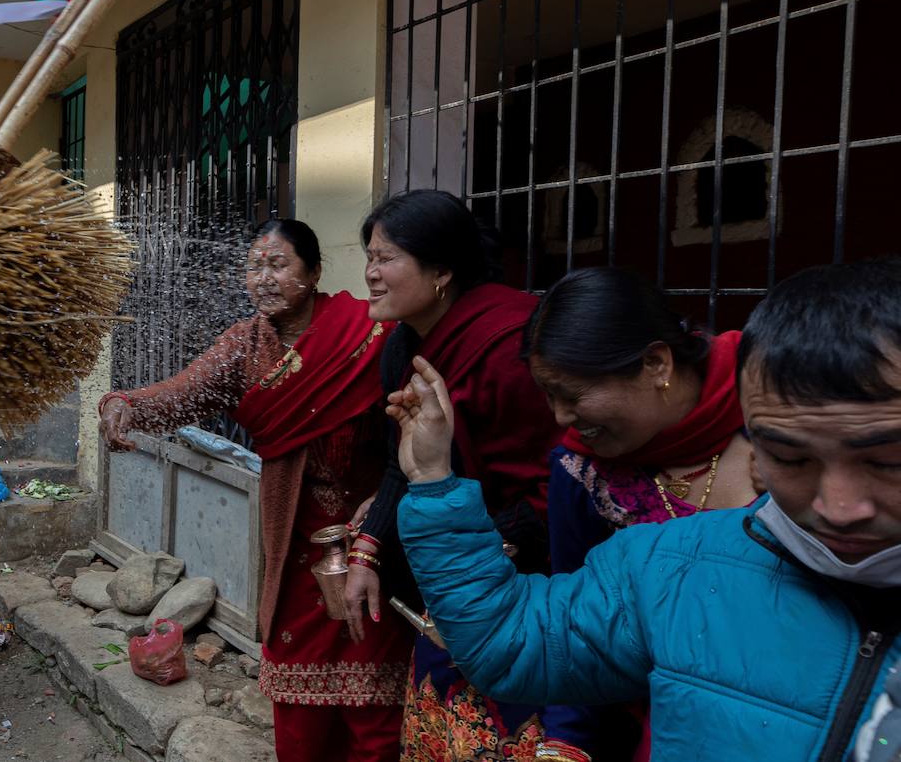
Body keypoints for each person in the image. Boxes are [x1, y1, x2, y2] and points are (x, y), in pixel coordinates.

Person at [392, 258, 901, 762]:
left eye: (887, 462)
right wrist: (433, 480)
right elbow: (516, 638)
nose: (840, 508)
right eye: (792, 459)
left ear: (657, 364)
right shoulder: (665, 565)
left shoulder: (764, 405)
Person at [100, 219, 413, 762]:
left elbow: (408, 431)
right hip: (295, 540)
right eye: (252, 266)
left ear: (314, 272)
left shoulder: (368, 333)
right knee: (298, 692)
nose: (262, 278)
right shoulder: (243, 347)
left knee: (374, 694)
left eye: (278, 264)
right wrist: (127, 404)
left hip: (374, 536)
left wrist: (386, 501)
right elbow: (183, 393)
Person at [346, 189, 560, 762]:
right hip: (449, 577)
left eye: (386, 258)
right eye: (369, 257)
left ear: (442, 270)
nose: (370, 274)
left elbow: (555, 489)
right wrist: (369, 550)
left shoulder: (513, 347)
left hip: (527, 584)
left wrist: (475, 561)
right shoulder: (401, 347)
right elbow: (404, 461)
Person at [523, 267, 759, 762]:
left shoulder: (779, 416)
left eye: (573, 394)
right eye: (549, 395)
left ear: (655, 363)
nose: (561, 417)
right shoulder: (579, 473)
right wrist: (564, 746)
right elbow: (575, 621)